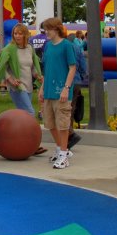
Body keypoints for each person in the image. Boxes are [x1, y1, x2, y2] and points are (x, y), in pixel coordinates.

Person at [0, 23, 46, 156]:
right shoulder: (9, 49)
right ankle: (33, 144)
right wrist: (10, 79)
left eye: (20, 33)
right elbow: (2, 67)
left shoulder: (29, 48)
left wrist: (38, 75)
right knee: (29, 113)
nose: (17, 36)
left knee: (23, 116)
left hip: (28, 85)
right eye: (15, 33)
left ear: (25, 35)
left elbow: (32, 66)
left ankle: (25, 144)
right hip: (17, 86)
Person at [38, 18, 78, 169]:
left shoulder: (67, 46)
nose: (46, 32)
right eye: (45, 29)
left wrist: (66, 88)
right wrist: (42, 87)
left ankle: (63, 154)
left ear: (57, 29)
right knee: (50, 123)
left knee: (62, 125)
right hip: (48, 90)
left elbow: (72, 68)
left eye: (48, 29)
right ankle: (61, 149)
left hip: (61, 92)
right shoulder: (48, 47)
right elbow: (47, 69)